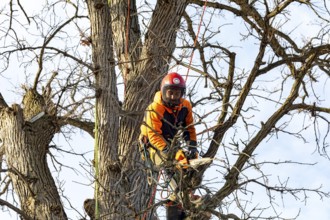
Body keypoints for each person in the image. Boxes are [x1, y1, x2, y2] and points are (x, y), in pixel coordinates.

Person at [139, 72, 199, 219]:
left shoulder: (185, 106)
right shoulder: (155, 108)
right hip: (152, 147)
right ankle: (182, 200)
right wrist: (172, 152)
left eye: (177, 93)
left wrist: (192, 147)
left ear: (182, 93)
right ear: (164, 91)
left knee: (190, 168)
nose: (173, 96)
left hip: (172, 143)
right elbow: (153, 136)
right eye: (170, 93)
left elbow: (189, 128)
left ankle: (179, 204)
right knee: (170, 165)